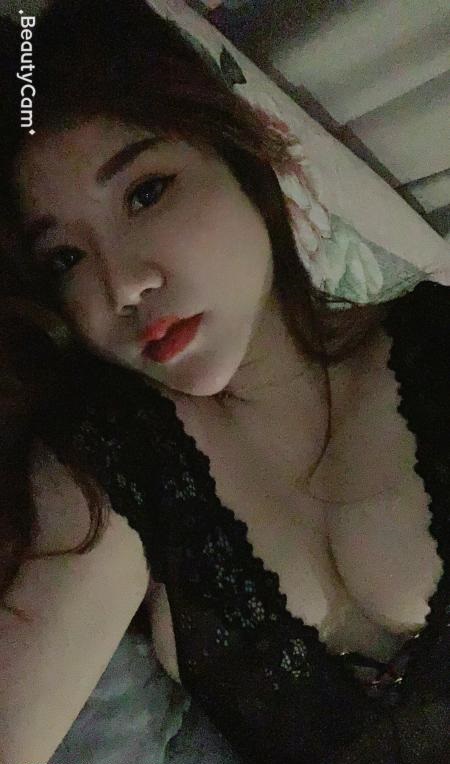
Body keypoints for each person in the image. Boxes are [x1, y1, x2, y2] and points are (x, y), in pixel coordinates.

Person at [0, 1, 448, 762]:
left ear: (241, 157)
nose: (122, 285)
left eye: (146, 193)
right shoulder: (114, 461)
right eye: (65, 259)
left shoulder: (434, 336)